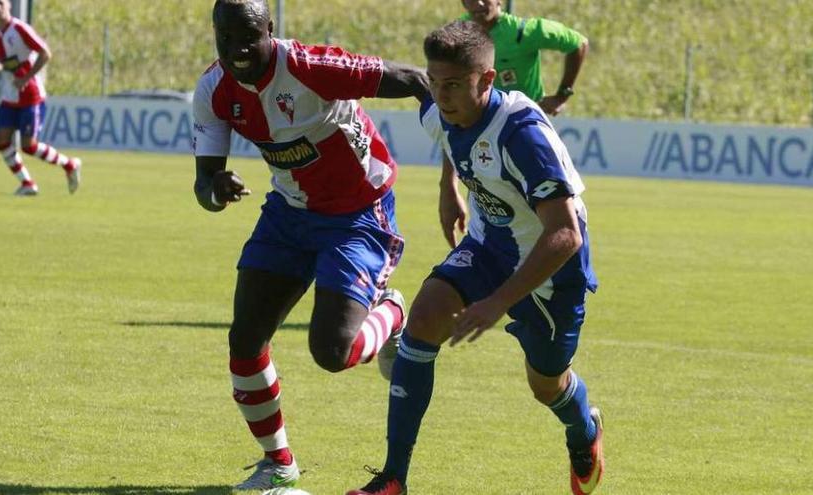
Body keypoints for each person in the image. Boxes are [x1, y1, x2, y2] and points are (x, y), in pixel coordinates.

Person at [348, 20, 603, 495]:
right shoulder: (447, 108)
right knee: (424, 317)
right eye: (436, 83)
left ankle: (584, 429)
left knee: (546, 386)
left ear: (487, 81)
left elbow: (565, 233)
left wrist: (497, 302)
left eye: (453, 86)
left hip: (550, 270)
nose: (441, 96)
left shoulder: (522, 134)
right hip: (489, 246)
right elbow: (422, 98)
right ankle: (393, 478)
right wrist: (449, 186)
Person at [191, 0, 429, 491]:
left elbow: (413, 80)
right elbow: (203, 183)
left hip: (358, 214)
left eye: (248, 35)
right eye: (225, 35)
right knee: (244, 341)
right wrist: (215, 189)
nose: (236, 47)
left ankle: (393, 313)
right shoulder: (213, 91)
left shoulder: (310, 66)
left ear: (270, 30)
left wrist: (456, 141)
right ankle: (279, 465)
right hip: (289, 213)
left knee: (333, 352)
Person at [0, 0, 81, 196]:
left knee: (29, 146)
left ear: (8, 5)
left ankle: (69, 164)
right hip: (10, 97)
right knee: (2, 141)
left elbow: (45, 53)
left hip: (31, 96)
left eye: (0, 3)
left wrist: (26, 77)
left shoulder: (20, 29)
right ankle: (28, 183)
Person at [461, 0, 588, 116]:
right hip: (479, 119)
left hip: (525, 118)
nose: (479, 3)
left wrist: (562, 95)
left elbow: (579, 44)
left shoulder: (522, 32)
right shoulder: (459, 32)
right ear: (464, 3)